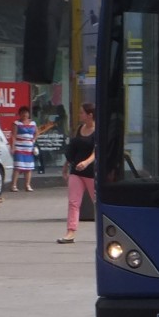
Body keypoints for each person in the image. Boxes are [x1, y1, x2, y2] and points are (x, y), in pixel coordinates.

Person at [58, 103, 96, 244]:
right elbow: (73, 149)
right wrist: (66, 165)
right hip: (76, 171)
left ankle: (106, 230)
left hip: (91, 172)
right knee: (73, 202)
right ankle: (70, 232)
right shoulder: (80, 128)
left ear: (90, 115)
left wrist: (86, 162)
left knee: (97, 202)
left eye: (81, 113)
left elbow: (96, 152)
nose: (79, 115)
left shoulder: (98, 131)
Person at [10, 105, 38, 193]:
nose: (24, 115)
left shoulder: (33, 123)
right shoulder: (16, 123)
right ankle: (14, 185)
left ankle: (27, 185)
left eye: (26, 113)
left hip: (29, 148)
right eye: (22, 113)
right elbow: (13, 135)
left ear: (28, 114)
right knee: (18, 167)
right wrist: (13, 147)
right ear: (19, 114)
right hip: (19, 147)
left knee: (29, 168)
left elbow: (37, 133)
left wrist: (33, 140)